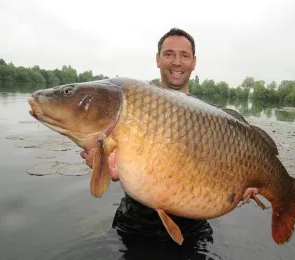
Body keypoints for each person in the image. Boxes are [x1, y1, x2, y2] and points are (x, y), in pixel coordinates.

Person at [80, 28, 213, 245]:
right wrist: (101, 162)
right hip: (136, 224)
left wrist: (248, 183)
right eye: (169, 54)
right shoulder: (132, 104)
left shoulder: (211, 117)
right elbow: (112, 168)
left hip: (193, 229)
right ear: (158, 59)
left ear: (194, 62)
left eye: (184, 55)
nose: (176, 62)